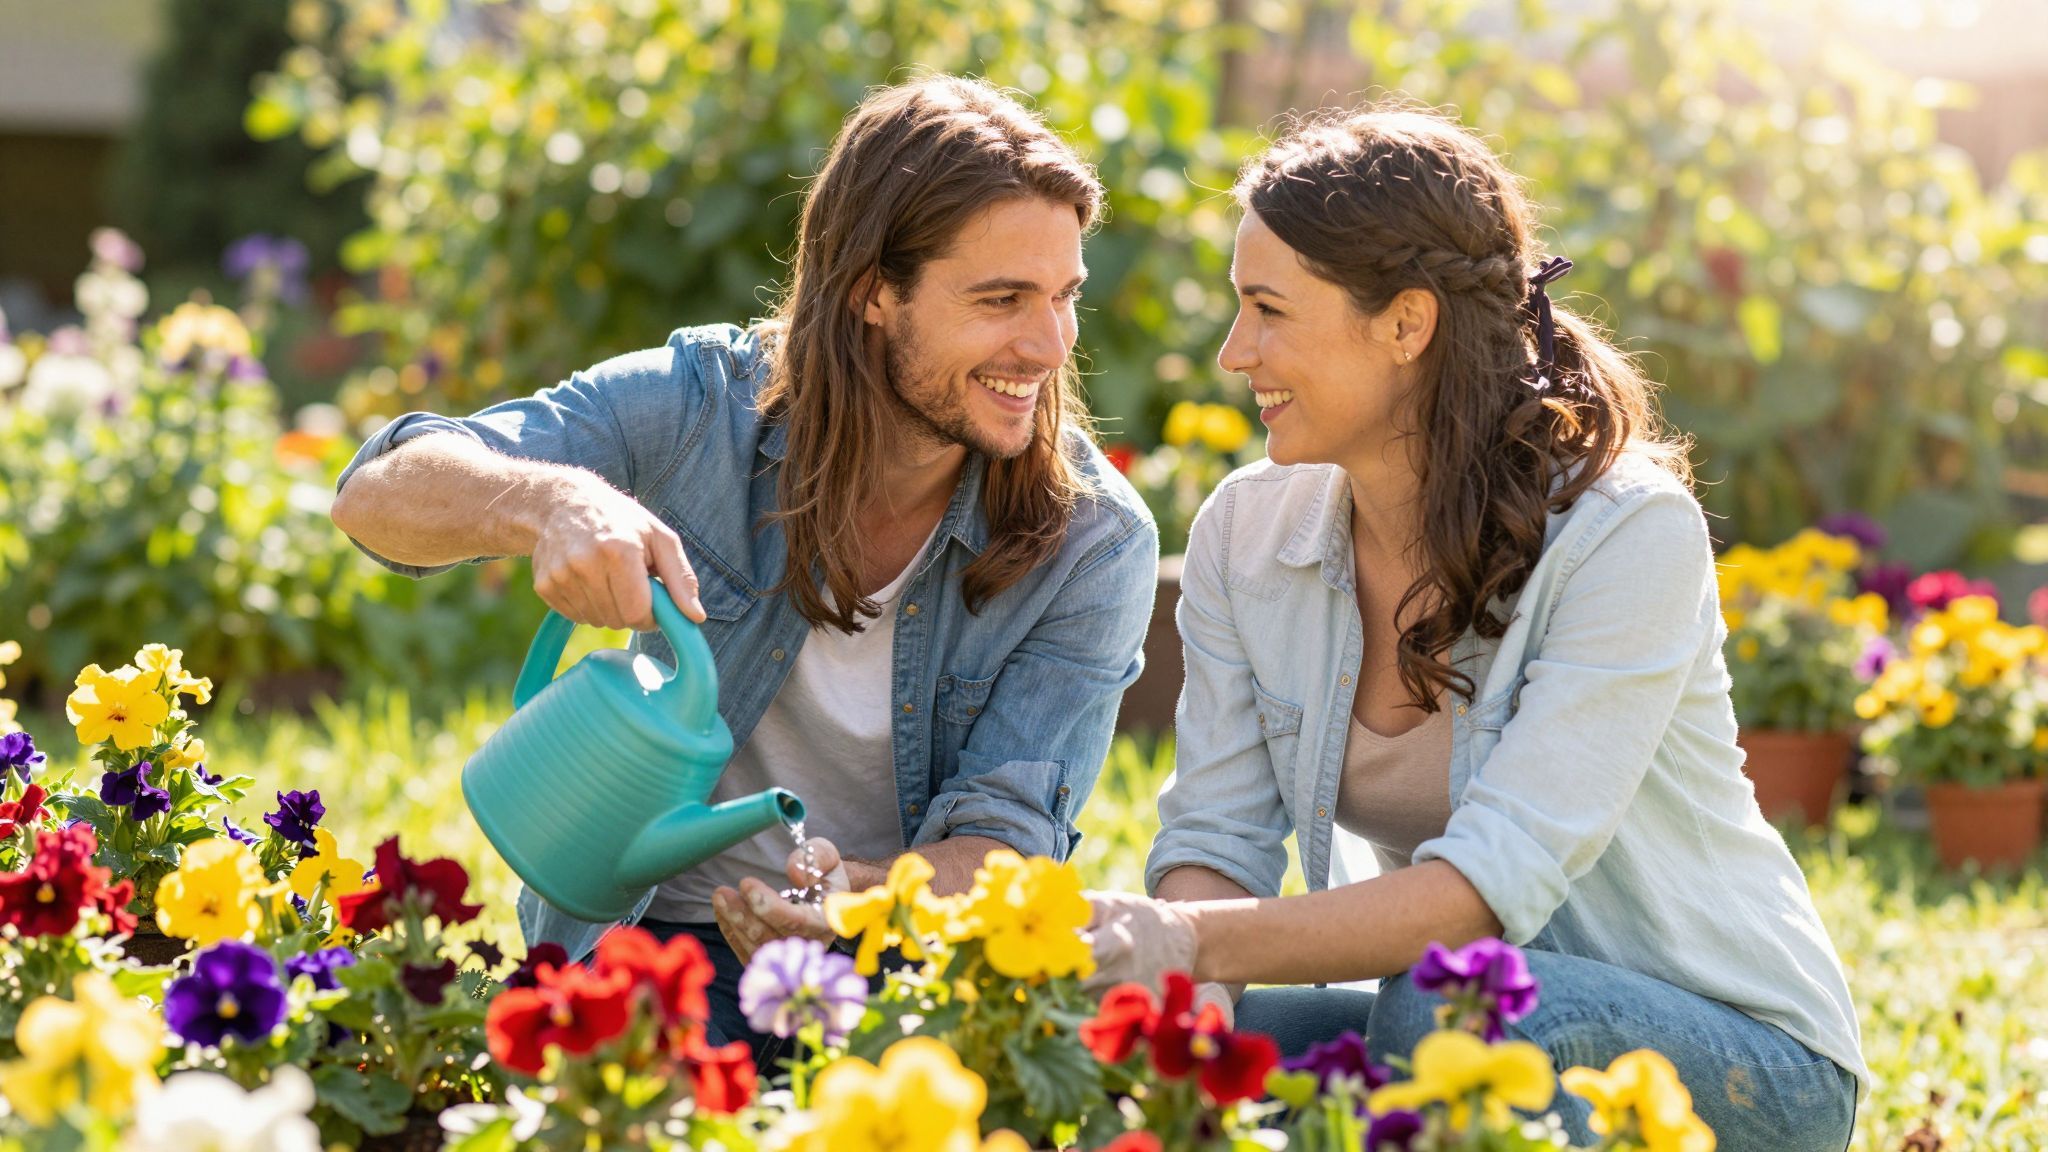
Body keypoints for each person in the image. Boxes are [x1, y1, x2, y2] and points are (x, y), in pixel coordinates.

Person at [330, 74, 1158, 1063]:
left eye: (1064, 297)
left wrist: (856, 899)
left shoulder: (1092, 539)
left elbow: (1003, 845)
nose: (1049, 343)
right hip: (641, 947)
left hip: (903, 973)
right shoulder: (697, 411)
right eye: (1000, 300)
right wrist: (551, 502)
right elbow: (375, 492)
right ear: (873, 293)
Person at [1083, 103, 1864, 1149]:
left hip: (1742, 1061)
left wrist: (1181, 937)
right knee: (1125, 1030)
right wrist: (1178, 1031)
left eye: (1267, 310)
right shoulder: (1244, 535)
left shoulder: (1622, 536)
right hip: (1471, 1018)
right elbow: (1214, 841)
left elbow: (1479, 896)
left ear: (1405, 325)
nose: (1234, 352)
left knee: (1444, 1002)